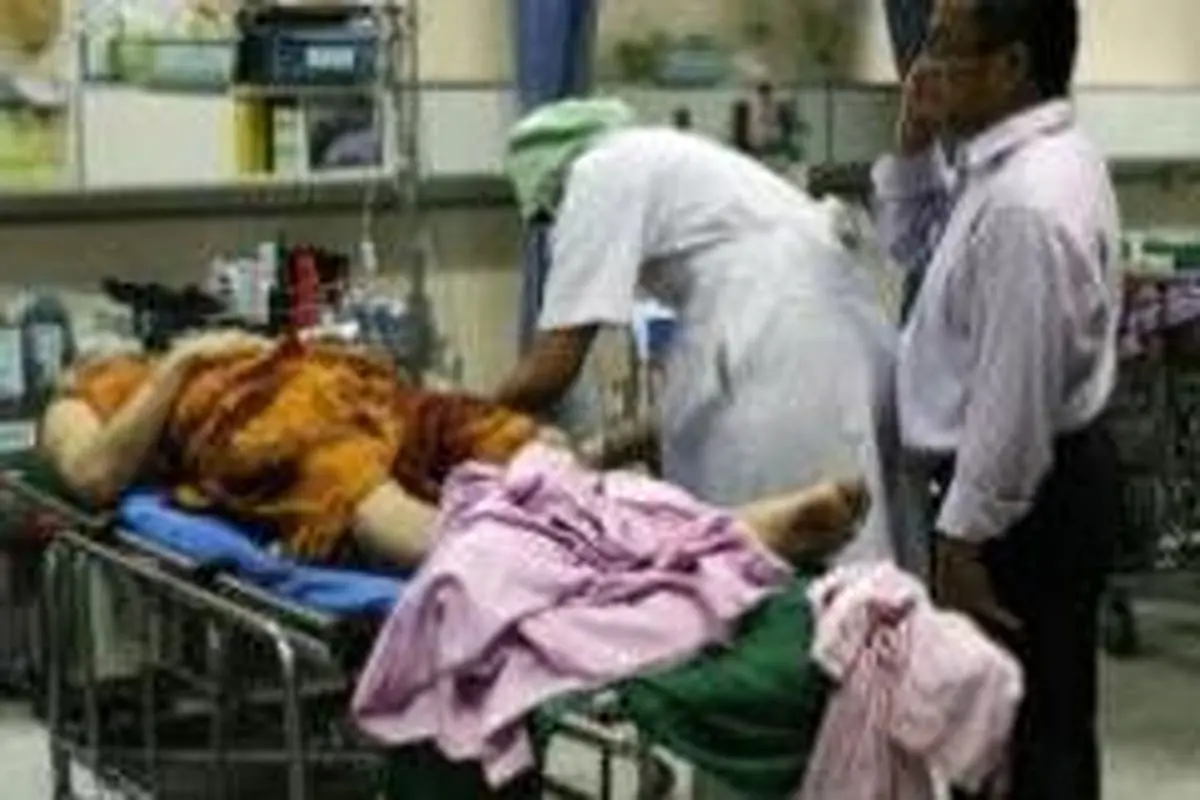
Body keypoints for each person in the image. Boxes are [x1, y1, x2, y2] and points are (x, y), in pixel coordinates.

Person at [494, 97, 914, 574]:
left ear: (553, 183)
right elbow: (692, 412)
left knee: (782, 559)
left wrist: (455, 428)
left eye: (550, 216)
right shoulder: (676, 183)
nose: (557, 228)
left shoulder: (597, 174)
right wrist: (597, 453)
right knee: (838, 560)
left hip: (789, 359)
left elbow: (550, 371)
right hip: (830, 336)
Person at [38, 330, 867, 570]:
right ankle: (726, 533)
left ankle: (678, 528)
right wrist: (181, 366)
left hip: (349, 386)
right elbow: (95, 475)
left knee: (532, 452)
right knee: (364, 491)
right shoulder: (82, 393)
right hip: (252, 410)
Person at [872, 1, 1121, 798]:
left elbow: (1013, 403)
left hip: (1022, 507)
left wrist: (964, 541)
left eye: (945, 47)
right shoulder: (1010, 163)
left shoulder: (1027, 201)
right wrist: (914, 147)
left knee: (1026, 742)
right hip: (1021, 490)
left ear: (1010, 65)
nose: (925, 68)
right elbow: (911, 246)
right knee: (1011, 734)